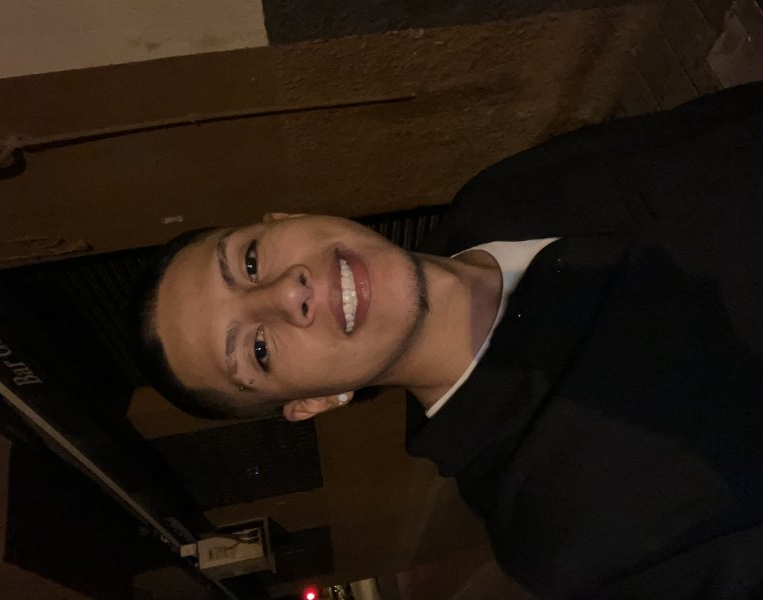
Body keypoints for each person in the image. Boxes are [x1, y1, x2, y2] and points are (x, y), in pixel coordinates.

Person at [132, 81, 763, 599]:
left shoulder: (498, 195)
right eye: (258, 350)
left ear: (284, 219)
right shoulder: (572, 533)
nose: (285, 292)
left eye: (248, 261)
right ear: (315, 402)